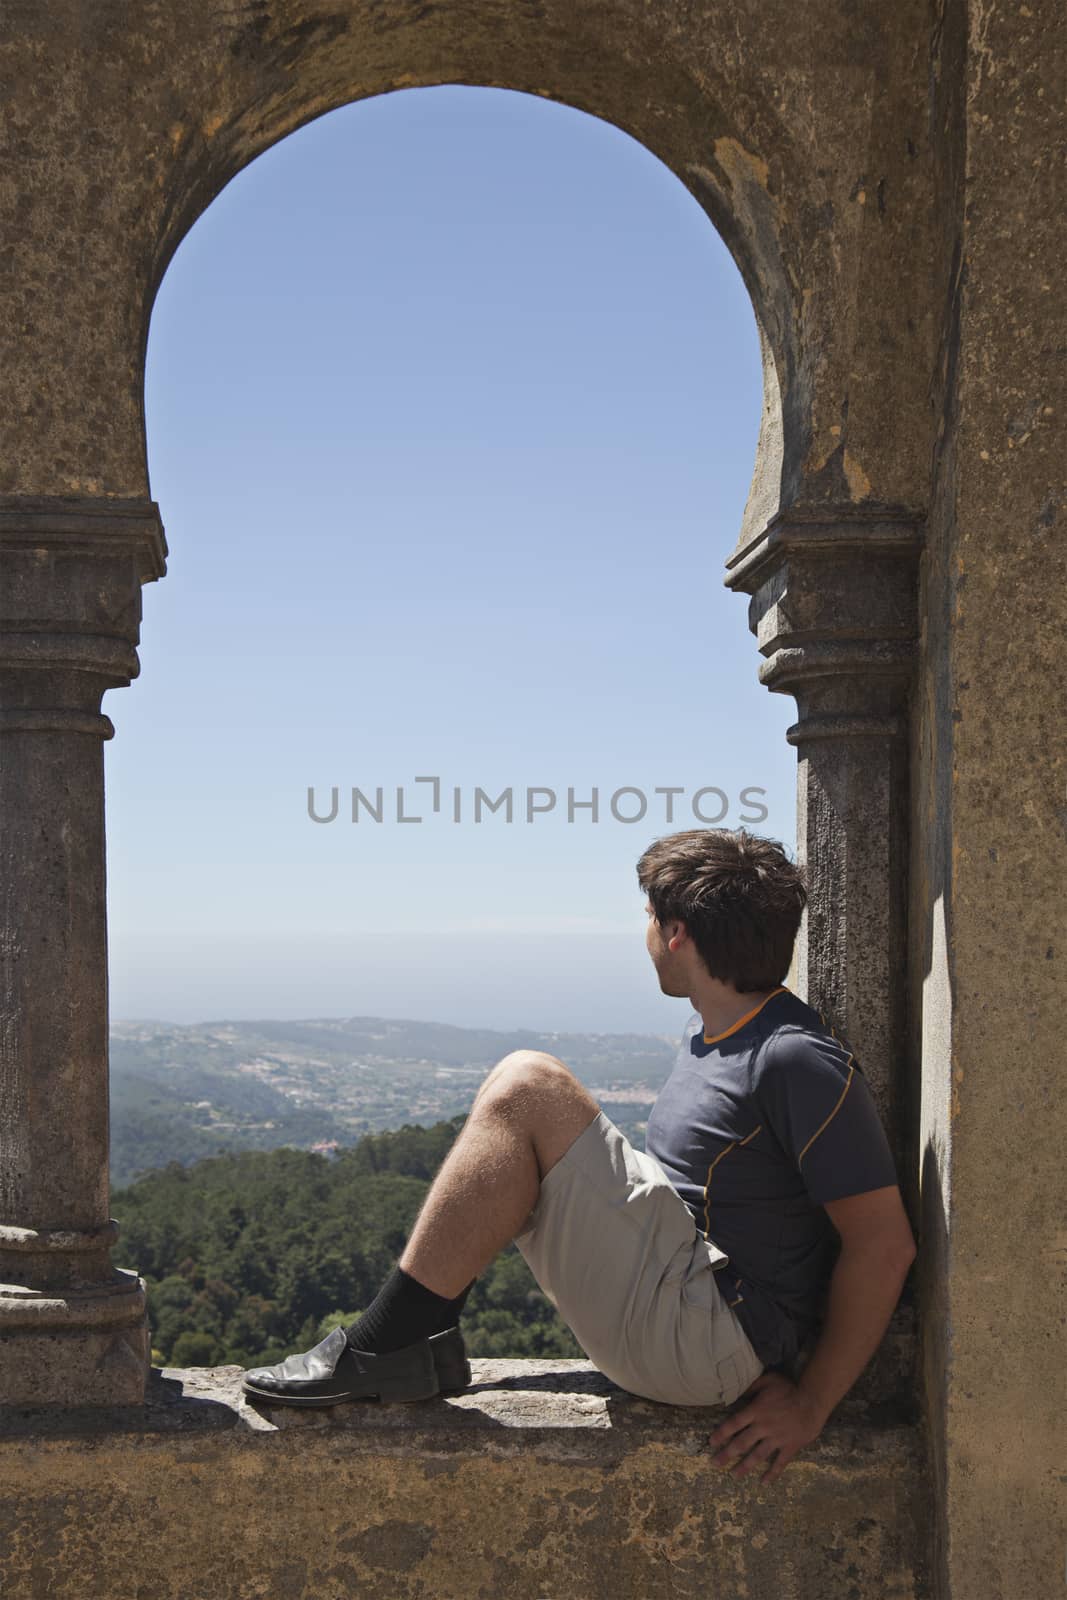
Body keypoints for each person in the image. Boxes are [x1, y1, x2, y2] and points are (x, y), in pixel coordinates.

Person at [243, 827, 916, 1482]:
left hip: (713, 1344)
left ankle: (385, 1345)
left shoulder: (792, 1058)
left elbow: (882, 1245)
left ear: (676, 932)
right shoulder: (719, 1033)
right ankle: (423, 1341)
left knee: (528, 1085)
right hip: (693, 1308)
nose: (646, 934)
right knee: (532, 1108)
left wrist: (810, 1404)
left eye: (650, 917)